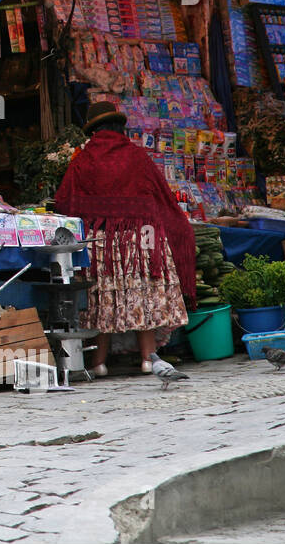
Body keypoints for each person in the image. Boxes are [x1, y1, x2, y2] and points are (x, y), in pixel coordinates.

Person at [53, 101, 196, 375]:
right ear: (120, 128)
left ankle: (99, 363)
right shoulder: (137, 155)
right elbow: (160, 195)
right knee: (142, 294)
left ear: (93, 131)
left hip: (101, 243)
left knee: (101, 301)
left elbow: (66, 202)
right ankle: (147, 359)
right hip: (141, 240)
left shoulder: (83, 159)